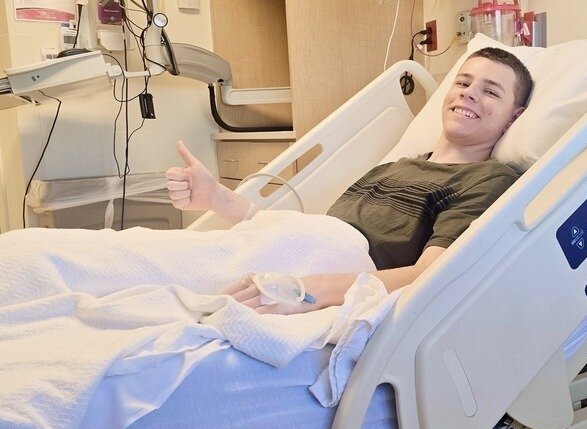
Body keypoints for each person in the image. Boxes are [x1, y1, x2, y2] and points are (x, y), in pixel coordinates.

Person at [166, 47, 534, 315]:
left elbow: (432, 275)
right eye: (463, 82)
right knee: (149, 265)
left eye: (490, 91)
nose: (469, 92)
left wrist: (311, 289)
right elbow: (302, 237)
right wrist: (216, 197)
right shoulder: (395, 167)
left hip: (330, 278)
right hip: (295, 256)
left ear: (513, 117)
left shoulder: (488, 179)